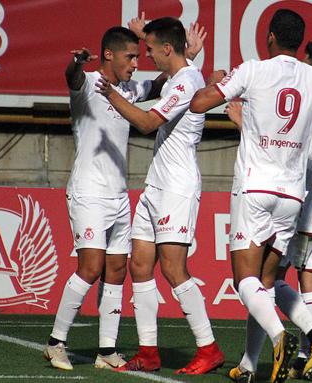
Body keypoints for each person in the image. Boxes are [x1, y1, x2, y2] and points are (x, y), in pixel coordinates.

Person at [190, 9, 312, 383]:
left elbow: (199, 104)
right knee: (268, 284)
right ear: (299, 42)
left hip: (255, 186)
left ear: (269, 37)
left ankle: (280, 336)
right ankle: (295, 344)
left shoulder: (253, 70)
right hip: (292, 195)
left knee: (244, 280)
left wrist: (217, 84)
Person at [43, 17, 205, 371]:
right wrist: (76, 63)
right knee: (90, 267)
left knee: (116, 270)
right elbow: (70, 78)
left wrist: (188, 55)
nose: (136, 63)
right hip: (88, 192)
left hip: (119, 195)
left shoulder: (130, 90)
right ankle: (56, 342)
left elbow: (167, 80)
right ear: (108, 56)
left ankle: (107, 350)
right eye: (130, 57)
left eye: (138, 56)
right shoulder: (87, 83)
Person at [95, 16, 224, 375]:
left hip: (177, 189)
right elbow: (180, 66)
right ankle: (149, 352)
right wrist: (145, 34)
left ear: (168, 49)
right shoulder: (180, 76)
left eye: (150, 49)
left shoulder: (186, 82)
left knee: (173, 268)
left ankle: (209, 348)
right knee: (140, 265)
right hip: (156, 185)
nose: (146, 56)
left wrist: (110, 95)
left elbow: (149, 122)